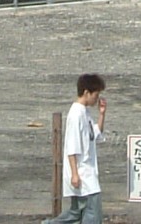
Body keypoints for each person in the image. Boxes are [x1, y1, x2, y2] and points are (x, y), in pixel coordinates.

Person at [44, 73, 107, 224]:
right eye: (96, 94)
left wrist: (102, 114)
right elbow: (72, 147)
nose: (97, 99)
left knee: (76, 213)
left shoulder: (84, 112)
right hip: (83, 173)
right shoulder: (76, 115)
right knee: (92, 214)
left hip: (87, 172)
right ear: (86, 92)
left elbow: (95, 133)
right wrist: (74, 174)